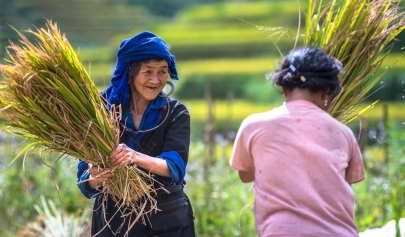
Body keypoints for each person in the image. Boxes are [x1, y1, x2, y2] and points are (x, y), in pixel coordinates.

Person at [230, 46, 365, 237]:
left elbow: (245, 175)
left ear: (284, 88)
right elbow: (344, 184)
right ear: (327, 92)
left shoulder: (254, 126)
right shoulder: (343, 133)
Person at [76, 31, 196, 237]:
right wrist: (96, 176)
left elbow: (174, 168)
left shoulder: (175, 112)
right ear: (129, 72)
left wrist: (134, 157)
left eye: (162, 72)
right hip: (113, 222)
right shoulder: (100, 111)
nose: (156, 80)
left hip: (167, 222)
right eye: (148, 72)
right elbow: (84, 177)